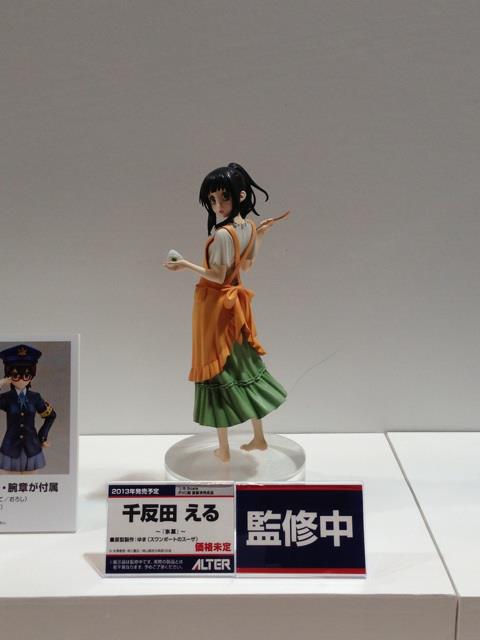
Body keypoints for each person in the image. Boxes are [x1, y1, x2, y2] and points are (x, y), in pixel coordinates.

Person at [164, 163, 287, 462]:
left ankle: (224, 449)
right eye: (212, 200)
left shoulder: (222, 235)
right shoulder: (249, 227)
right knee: (243, 364)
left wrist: (185, 265)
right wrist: (260, 235)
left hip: (216, 307)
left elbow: (218, 276)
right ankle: (258, 437)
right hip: (236, 307)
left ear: (240, 195)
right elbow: (247, 266)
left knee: (216, 368)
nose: (218, 205)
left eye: (224, 197)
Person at [0, 344, 56, 472]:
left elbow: (51, 416)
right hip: (10, 448)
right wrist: (1, 383)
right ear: (9, 376)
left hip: (32, 448)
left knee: (30, 479)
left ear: (31, 376)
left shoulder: (35, 397)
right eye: (15, 375)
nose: (21, 380)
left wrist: (42, 437)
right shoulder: (7, 398)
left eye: (26, 375)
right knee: (9, 480)